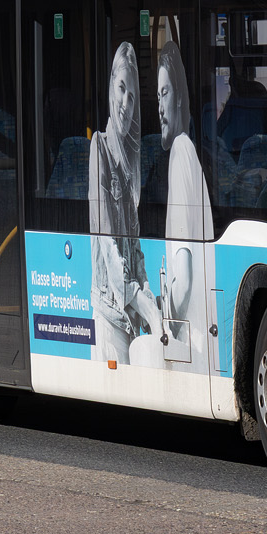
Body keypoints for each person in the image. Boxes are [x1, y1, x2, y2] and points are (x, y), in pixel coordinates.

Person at [89, 42, 154, 365]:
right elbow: (106, 239)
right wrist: (134, 294)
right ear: (110, 87)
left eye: (132, 97)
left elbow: (134, 243)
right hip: (110, 310)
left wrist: (145, 287)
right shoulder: (98, 147)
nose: (125, 104)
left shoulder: (130, 170)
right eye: (121, 89)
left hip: (128, 314)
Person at [156, 40, 212, 372]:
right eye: (157, 96)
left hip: (189, 347)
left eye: (164, 94)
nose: (159, 106)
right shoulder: (190, 150)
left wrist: (164, 325)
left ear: (178, 97)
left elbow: (185, 279)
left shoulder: (179, 152)